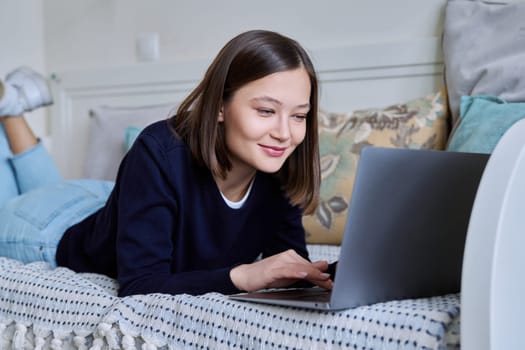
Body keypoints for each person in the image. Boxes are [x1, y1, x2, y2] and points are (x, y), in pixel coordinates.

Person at [0, 30, 334, 297]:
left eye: (299, 116)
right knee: (27, 196)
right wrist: (243, 276)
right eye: (265, 111)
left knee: (47, 186)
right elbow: (140, 284)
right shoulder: (158, 151)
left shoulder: (280, 165)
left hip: (106, 201)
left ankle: (11, 106)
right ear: (219, 106)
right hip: (45, 230)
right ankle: (9, 106)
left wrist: (335, 273)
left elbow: (291, 264)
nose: (284, 134)